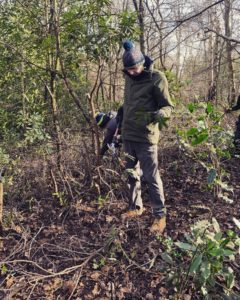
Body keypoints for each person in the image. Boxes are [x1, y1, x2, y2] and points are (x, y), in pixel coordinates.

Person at [121, 39, 174, 234]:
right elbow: (128, 105)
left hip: (146, 137)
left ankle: (160, 216)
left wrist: (162, 114)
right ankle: (136, 208)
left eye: (135, 69)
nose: (132, 73)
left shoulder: (156, 78)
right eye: (129, 70)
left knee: (151, 177)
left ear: (142, 63)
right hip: (128, 135)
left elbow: (168, 106)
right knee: (131, 174)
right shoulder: (128, 77)